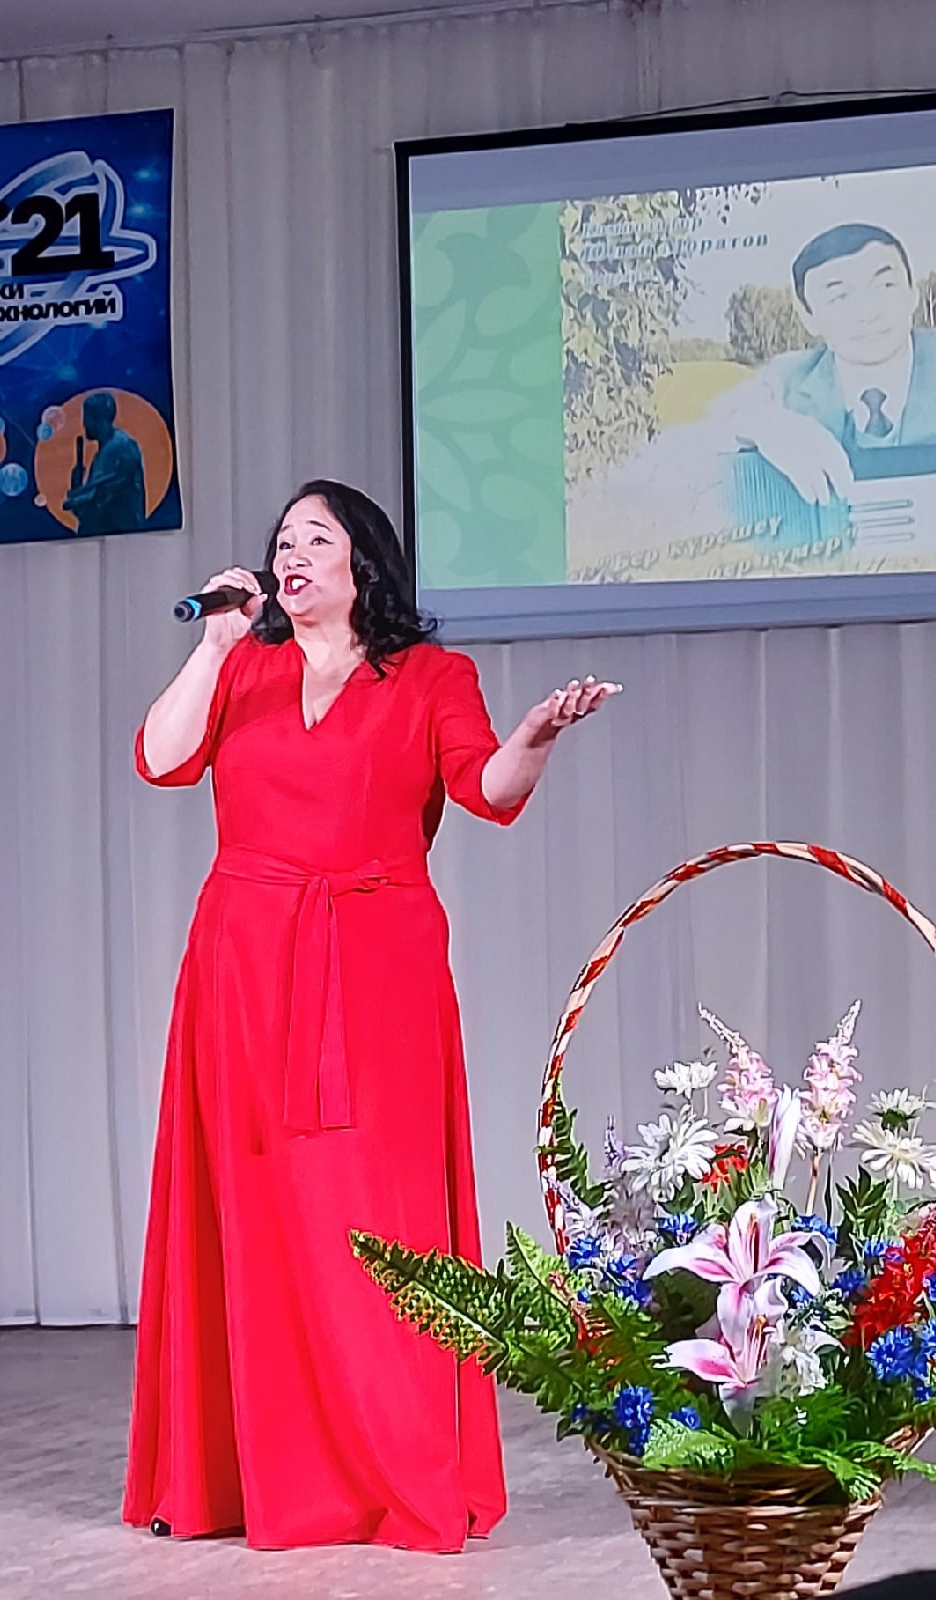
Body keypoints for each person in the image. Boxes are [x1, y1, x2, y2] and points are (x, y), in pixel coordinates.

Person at [123, 480, 621, 1553]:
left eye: (317, 538)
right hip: (245, 965)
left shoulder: (433, 677)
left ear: (365, 562)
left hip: (376, 964)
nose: (292, 555)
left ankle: (392, 1469)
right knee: (253, 1206)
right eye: (282, 542)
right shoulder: (243, 667)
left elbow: (488, 788)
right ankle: (244, 1478)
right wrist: (213, 643)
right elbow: (160, 759)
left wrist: (536, 734)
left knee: (376, 1217)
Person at [717, 222, 936, 534]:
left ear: (913, 294)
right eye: (839, 297)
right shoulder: (787, 377)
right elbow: (718, 421)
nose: (868, 312)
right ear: (808, 317)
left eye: (885, 286)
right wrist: (767, 425)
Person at [62, 390, 145, 536]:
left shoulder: (122, 447)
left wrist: (76, 498)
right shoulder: (101, 455)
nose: (84, 424)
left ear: (97, 418)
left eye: (86, 417)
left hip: (120, 535)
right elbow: (86, 510)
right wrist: (76, 486)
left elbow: (103, 493)